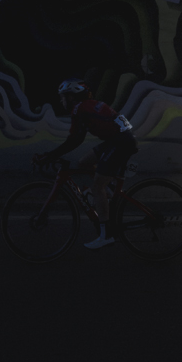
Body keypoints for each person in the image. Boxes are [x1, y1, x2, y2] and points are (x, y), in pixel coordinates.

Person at [34, 79, 138, 250]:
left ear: (72, 98)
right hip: (118, 139)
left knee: (98, 186)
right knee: (84, 162)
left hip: (119, 142)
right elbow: (116, 120)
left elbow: (74, 140)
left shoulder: (79, 109)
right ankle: (108, 191)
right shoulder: (89, 105)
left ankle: (105, 235)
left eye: (63, 97)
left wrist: (50, 156)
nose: (62, 101)